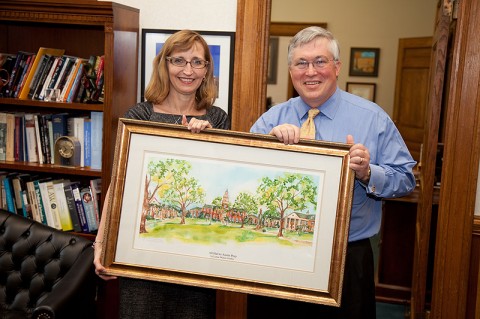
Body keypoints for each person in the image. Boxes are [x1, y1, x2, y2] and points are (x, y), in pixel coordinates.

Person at [249, 26, 416, 319]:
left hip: (347, 259)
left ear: (336, 67)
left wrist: (367, 173)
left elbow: (406, 179)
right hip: (277, 254)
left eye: (320, 61)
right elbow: (243, 178)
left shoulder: (372, 118)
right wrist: (266, 149)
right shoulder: (271, 120)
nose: (310, 71)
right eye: (301, 63)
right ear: (291, 71)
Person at [93, 29, 230, 319]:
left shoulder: (217, 119)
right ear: (164, 65)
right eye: (179, 60)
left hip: (195, 265)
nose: (188, 70)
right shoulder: (139, 116)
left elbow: (218, 185)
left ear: (207, 70)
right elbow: (118, 184)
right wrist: (101, 245)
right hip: (140, 258)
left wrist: (208, 141)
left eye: (197, 62)